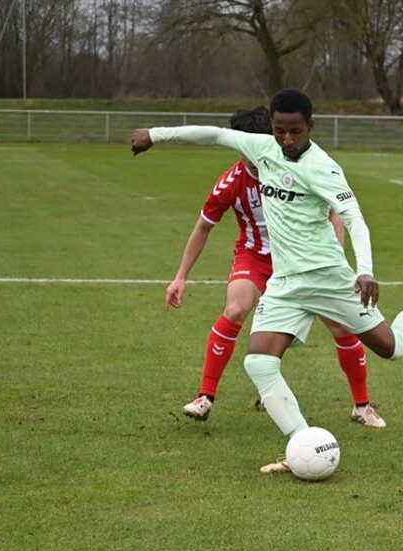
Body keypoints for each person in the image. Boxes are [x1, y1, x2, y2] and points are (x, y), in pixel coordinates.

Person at [132, 89, 403, 470]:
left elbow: (355, 219)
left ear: (310, 126)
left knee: (392, 348)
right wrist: (155, 135)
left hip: (329, 279)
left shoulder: (323, 167)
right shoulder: (261, 148)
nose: (288, 140)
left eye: (295, 131)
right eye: (280, 131)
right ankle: (304, 445)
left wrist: (365, 270)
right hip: (286, 284)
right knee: (259, 362)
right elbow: (212, 134)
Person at [165, 107, 386, 428]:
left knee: (341, 326)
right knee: (236, 307)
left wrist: (336, 258)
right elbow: (203, 227)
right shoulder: (230, 183)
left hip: (304, 263)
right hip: (255, 258)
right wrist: (180, 277)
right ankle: (205, 397)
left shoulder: (299, 168)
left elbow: (336, 213)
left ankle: (362, 406)